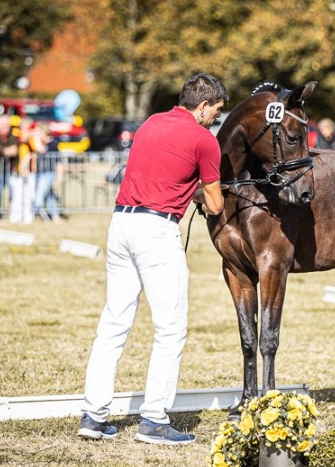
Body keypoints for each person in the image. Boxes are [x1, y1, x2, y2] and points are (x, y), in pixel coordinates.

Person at [78, 73, 228, 445]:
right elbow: (215, 203)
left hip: (121, 223)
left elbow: (161, 172)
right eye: (216, 111)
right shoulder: (203, 139)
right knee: (170, 329)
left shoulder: (150, 123)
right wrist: (198, 193)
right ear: (203, 105)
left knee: (114, 323)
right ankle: (155, 421)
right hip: (157, 232)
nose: (216, 119)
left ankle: (94, 416)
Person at [33, 123, 63, 222]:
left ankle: (39, 214)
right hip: (41, 173)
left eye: (39, 133)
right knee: (50, 196)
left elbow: (41, 150)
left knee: (39, 196)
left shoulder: (53, 144)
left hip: (49, 173)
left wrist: (59, 176)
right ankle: (55, 216)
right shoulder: (46, 144)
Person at [0, 115, 19, 220]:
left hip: (7, 169)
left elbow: (15, 148)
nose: (8, 129)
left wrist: (10, 151)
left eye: (8, 126)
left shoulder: (11, 136)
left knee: (13, 190)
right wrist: (4, 150)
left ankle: (14, 212)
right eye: (5, 126)